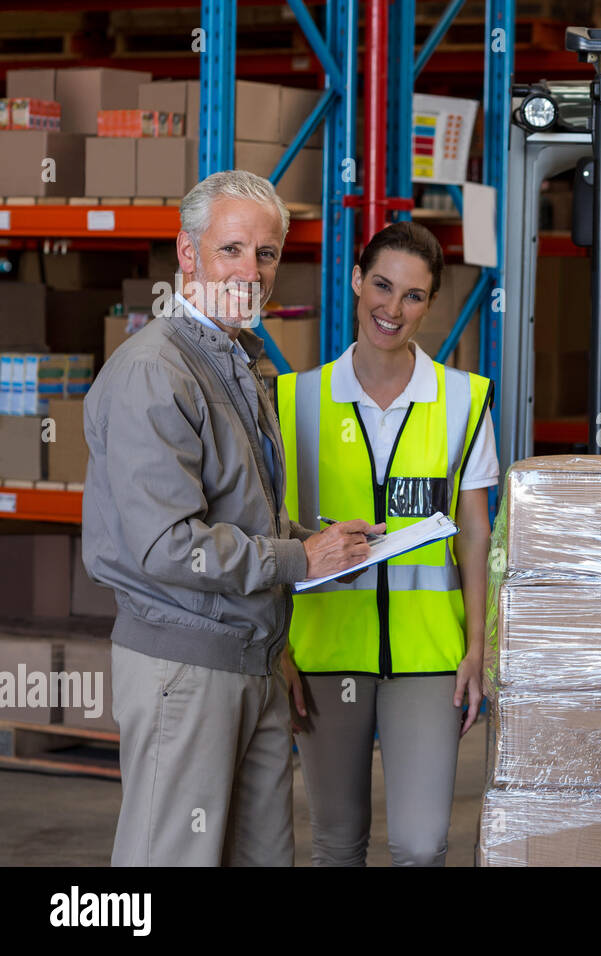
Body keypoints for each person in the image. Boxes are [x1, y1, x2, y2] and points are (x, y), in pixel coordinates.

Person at [82, 169, 378, 866]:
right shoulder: (158, 373)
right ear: (188, 254)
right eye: (231, 249)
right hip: (185, 665)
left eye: (266, 253)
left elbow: (243, 516)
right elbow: (167, 546)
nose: (251, 270)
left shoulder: (241, 363)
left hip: (254, 660)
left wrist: (324, 546)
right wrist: (298, 562)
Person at [275, 220, 496, 867]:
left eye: (413, 296)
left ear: (430, 304)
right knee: (336, 843)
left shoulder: (463, 399)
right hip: (323, 649)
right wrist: (277, 648)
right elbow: (271, 531)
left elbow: (476, 531)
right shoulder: (295, 400)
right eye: (381, 285)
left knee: (423, 845)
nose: (392, 310)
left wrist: (478, 645)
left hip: (429, 658)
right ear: (355, 280)